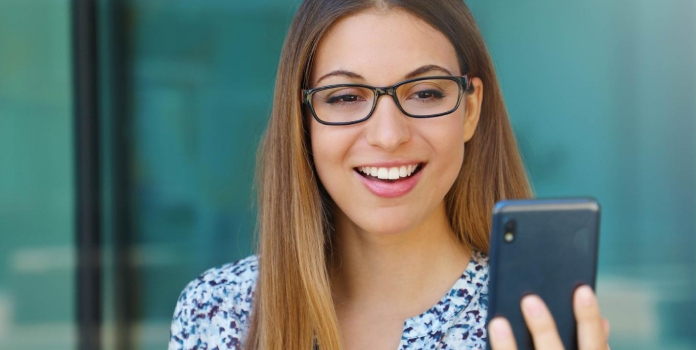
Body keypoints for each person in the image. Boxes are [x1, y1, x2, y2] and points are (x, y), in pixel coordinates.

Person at [169, 0, 610, 349]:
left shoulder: (535, 321)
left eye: (424, 92)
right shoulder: (216, 311)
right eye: (344, 97)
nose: (388, 135)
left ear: (470, 109)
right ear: (302, 119)